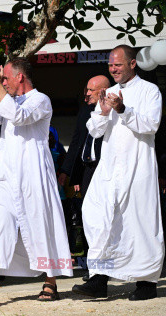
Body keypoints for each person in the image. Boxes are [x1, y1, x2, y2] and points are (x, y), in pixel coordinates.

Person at [0, 59, 72, 306]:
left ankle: (51, 281)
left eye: (5, 78)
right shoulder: (8, 99)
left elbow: (19, 117)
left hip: (32, 171)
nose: (3, 81)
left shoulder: (40, 100)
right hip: (5, 171)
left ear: (20, 77)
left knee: (40, 221)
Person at [72, 45, 164, 301]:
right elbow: (94, 130)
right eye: (110, 65)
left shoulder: (149, 91)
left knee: (139, 222)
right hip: (110, 167)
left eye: (118, 65)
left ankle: (146, 282)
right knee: (97, 216)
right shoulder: (108, 92)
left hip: (138, 166)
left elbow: (151, 125)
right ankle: (100, 278)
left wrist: (123, 110)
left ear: (132, 64)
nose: (113, 69)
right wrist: (103, 111)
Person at [58, 75, 110, 278]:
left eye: (91, 90)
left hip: (107, 169)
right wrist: (67, 172)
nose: (86, 94)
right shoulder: (85, 111)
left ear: (104, 91)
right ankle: (92, 267)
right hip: (87, 170)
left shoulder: (115, 110)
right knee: (89, 217)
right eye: (86, 90)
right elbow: (78, 141)